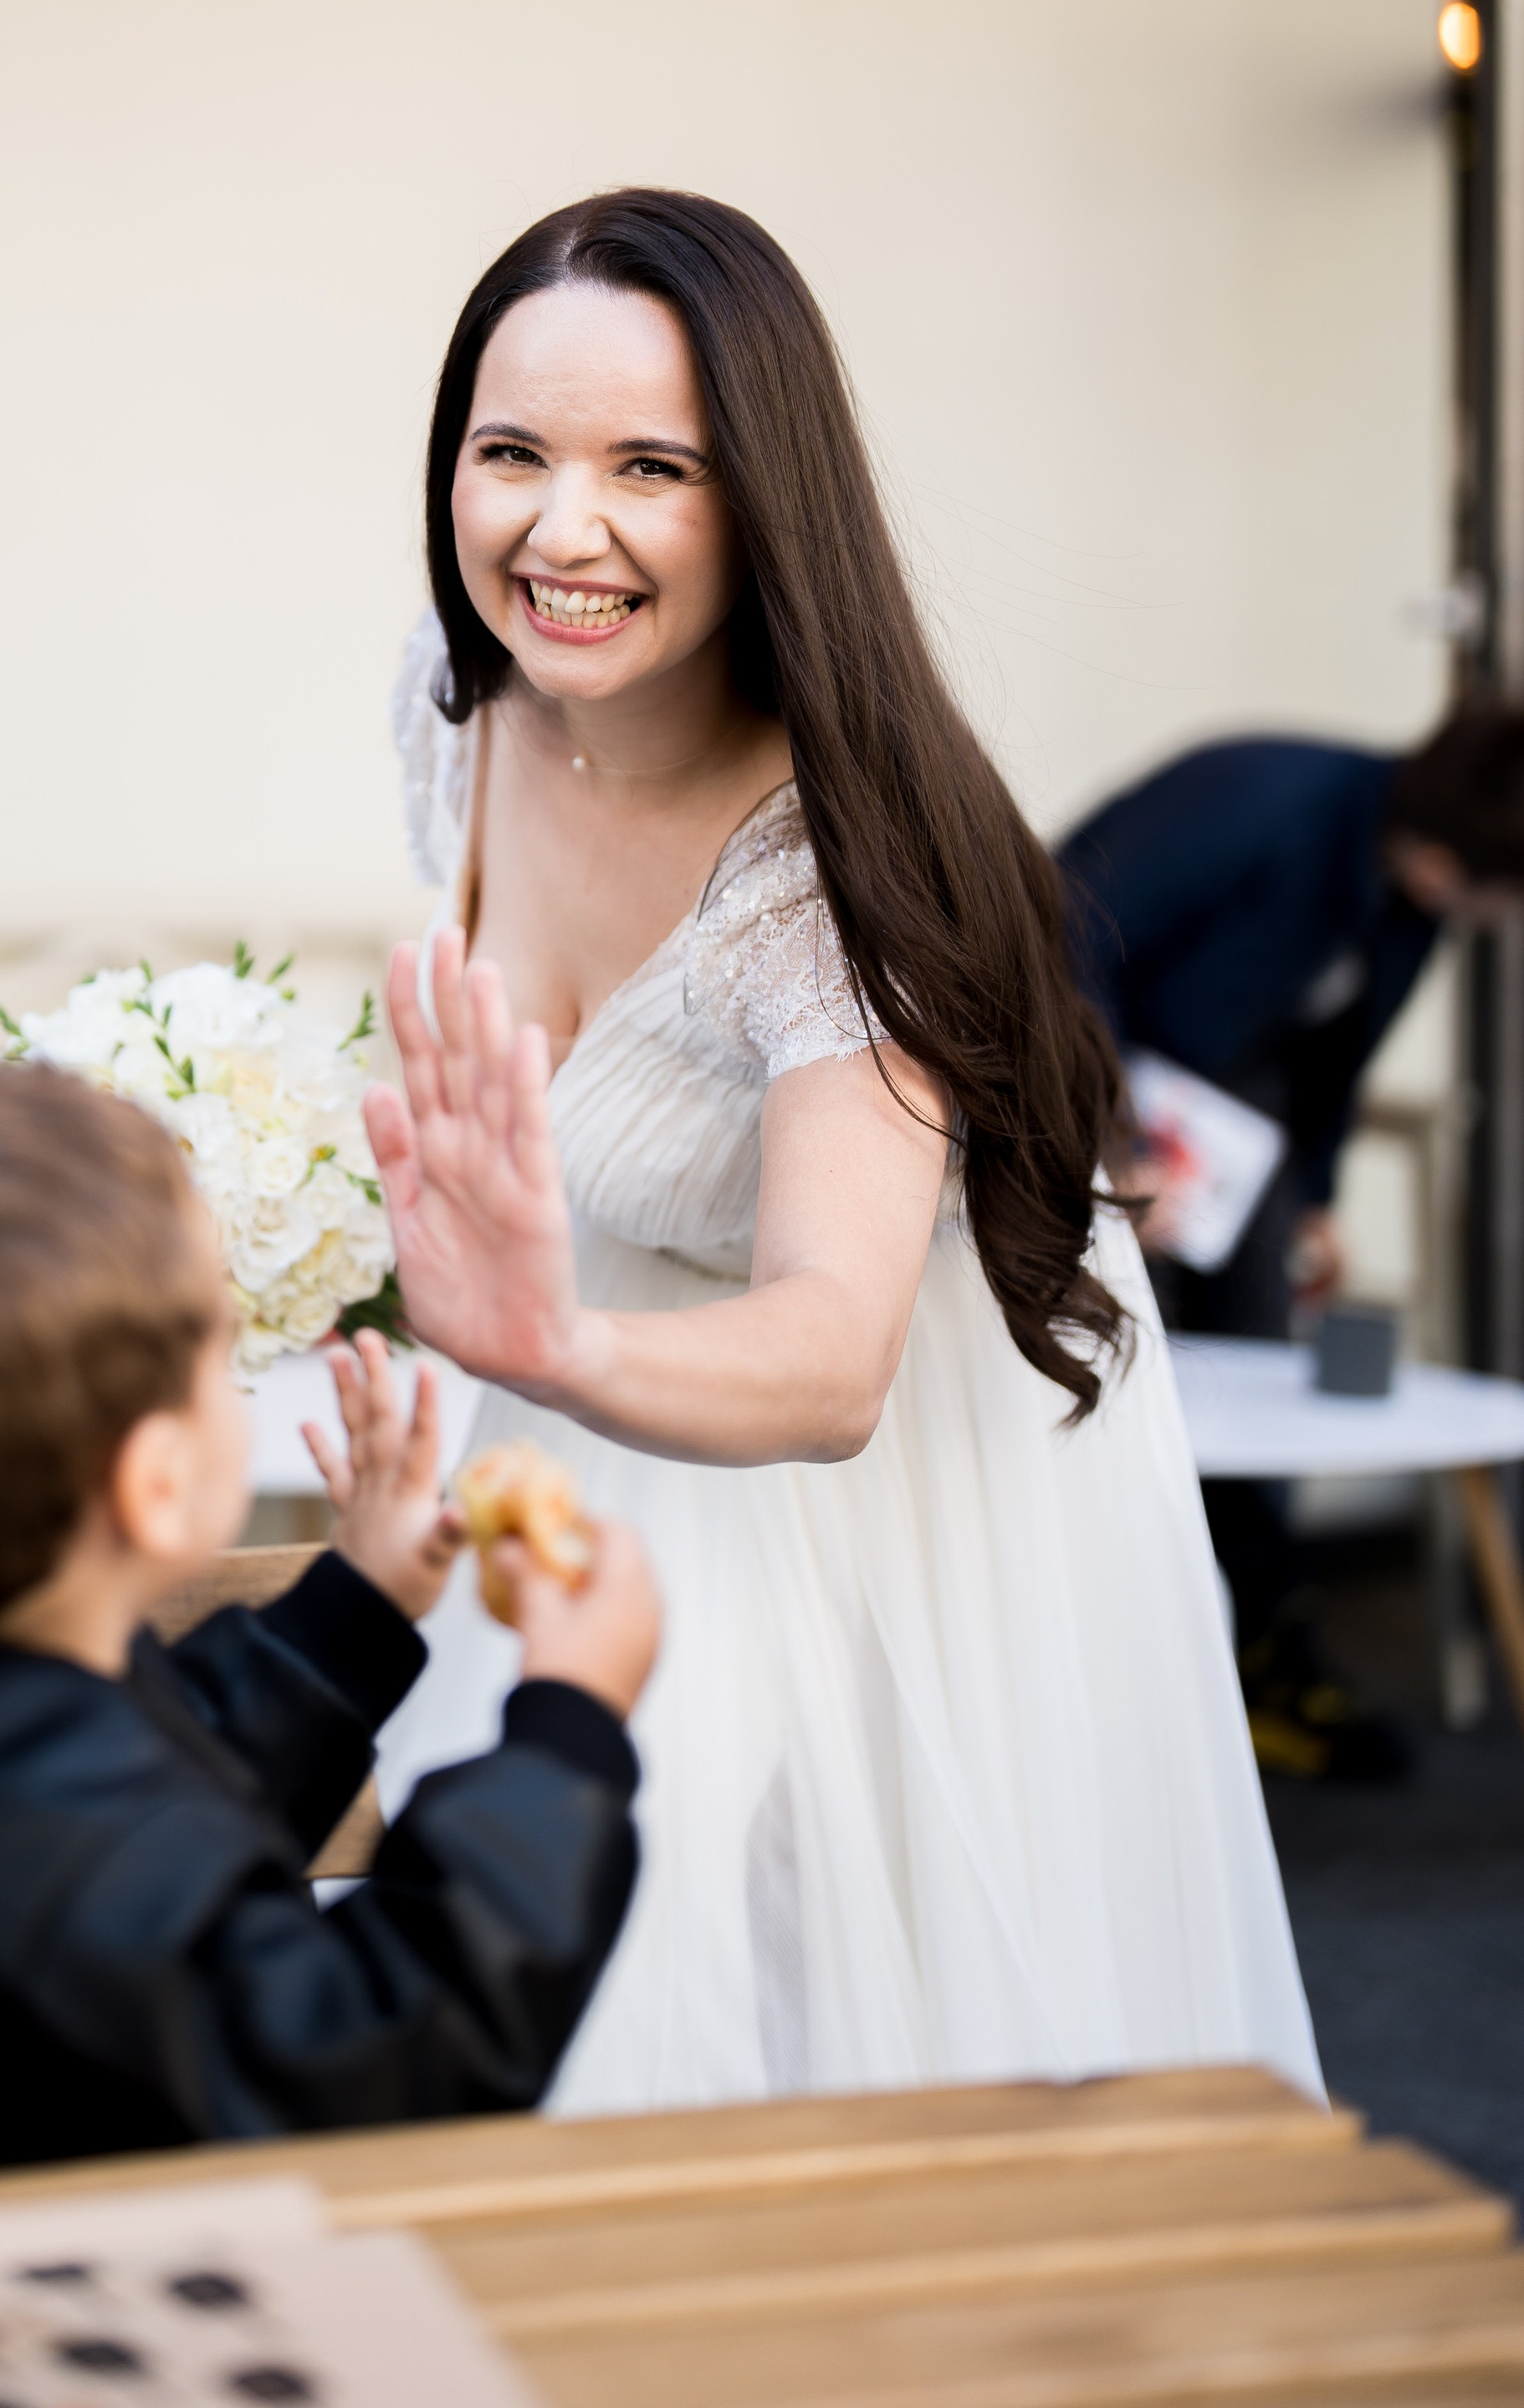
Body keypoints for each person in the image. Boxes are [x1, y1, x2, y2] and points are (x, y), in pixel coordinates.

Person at [366, 187, 1320, 2112]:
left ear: (764, 497)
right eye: (510, 453)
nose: (561, 528)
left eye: (651, 466)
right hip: (582, 1412)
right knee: (508, 1947)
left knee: (749, 2004)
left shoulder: (836, 875)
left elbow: (827, 1354)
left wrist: (539, 1333)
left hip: (871, 1479)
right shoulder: (454, 698)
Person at [0, 1070, 655, 2200]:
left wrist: (356, 1608)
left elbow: (146, 1789)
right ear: (156, 1482)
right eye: (223, 1347)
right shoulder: (64, 1849)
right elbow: (383, 2048)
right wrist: (568, 1729)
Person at [1059, 713, 1524, 1777]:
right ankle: (1123, 1689)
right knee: (1125, 1379)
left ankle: (1264, 1658)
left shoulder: (1408, 896)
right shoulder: (1259, 799)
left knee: (1258, 1375)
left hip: (1221, 1135)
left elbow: (1335, 1056)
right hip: (1090, 1091)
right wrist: (1107, 1144)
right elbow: (1061, 929)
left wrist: (1315, 1193)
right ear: (1451, 864)